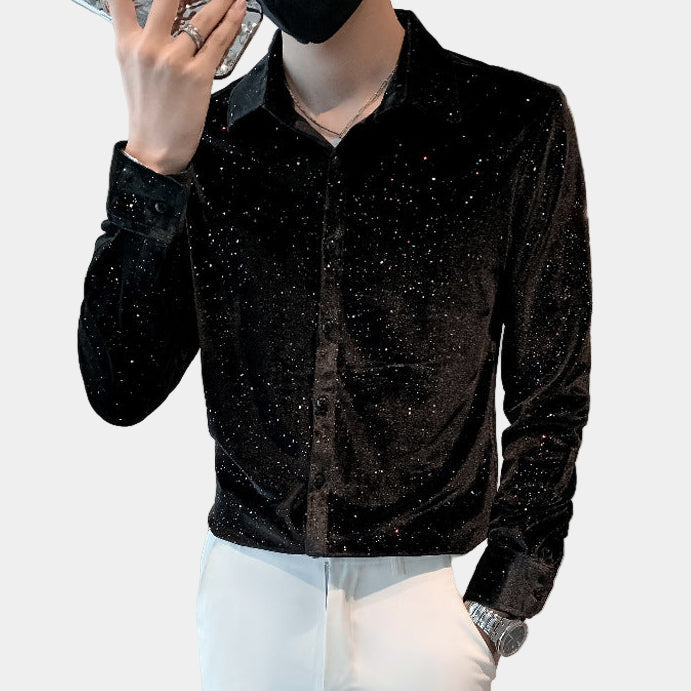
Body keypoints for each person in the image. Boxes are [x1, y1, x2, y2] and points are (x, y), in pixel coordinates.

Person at [77, 0, 592, 688]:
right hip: (250, 600)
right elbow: (120, 387)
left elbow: (550, 393)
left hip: (424, 603)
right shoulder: (211, 137)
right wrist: (154, 162)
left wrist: (502, 599)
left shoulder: (513, 122)